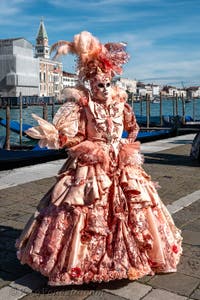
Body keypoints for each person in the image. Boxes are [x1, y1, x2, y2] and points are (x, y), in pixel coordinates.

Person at [16, 31, 182, 286]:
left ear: (112, 83)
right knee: (80, 207)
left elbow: (133, 127)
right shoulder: (83, 106)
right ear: (91, 86)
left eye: (107, 84)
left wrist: (126, 142)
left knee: (136, 208)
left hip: (122, 163)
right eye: (99, 85)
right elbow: (77, 135)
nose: (104, 89)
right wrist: (64, 141)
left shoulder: (121, 104)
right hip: (93, 165)